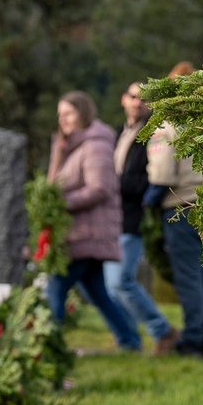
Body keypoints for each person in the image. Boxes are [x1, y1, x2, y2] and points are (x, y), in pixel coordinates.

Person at [46, 91, 141, 351]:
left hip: (87, 234)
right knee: (97, 292)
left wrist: (61, 203)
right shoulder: (69, 145)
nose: (62, 119)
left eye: (68, 113)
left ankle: (49, 349)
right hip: (78, 232)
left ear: (83, 113)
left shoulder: (95, 145)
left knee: (55, 289)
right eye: (60, 115)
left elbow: (100, 188)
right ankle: (130, 341)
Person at [146, 62, 203, 359]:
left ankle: (192, 341)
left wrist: (148, 199)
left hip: (181, 206)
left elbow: (162, 173)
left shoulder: (168, 125)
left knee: (189, 275)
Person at [104, 81, 178, 354]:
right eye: (133, 96)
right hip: (112, 219)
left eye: (143, 98)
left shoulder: (151, 135)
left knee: (120, 281)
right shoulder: (118, 133)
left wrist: (113, 186)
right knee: (111, 287)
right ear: (124, 99)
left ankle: (162, 330)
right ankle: (129, 339)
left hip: (134, 218)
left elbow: (149, 180)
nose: (138, 102)